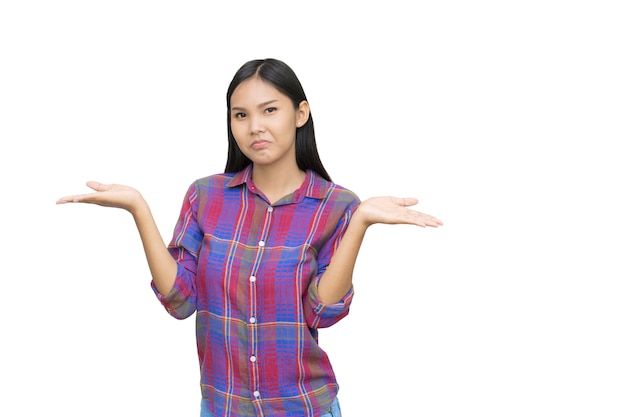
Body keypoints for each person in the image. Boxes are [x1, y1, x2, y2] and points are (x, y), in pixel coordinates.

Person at [56, 58, 443, 417]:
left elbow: (323, 313)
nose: (254, 126)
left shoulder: (337, 205)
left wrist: (359, 223)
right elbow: (180, 301)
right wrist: (138, 208)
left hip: (304, 407)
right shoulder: (205, 196)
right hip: (223, 407)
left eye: (269, 110)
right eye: (241, 115)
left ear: (301, 114)